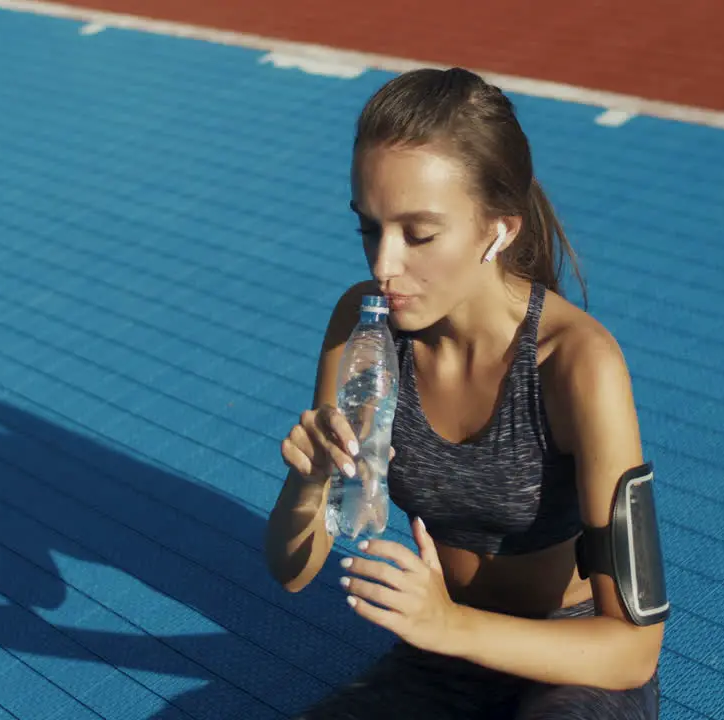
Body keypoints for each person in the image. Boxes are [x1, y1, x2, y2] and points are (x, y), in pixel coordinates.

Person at [264, 67, 667, 719]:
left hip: (572, 659)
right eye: (370, 228)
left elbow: (634, 650)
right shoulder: (364, 328)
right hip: (442, 655)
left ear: (499, 230)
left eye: (418, 235)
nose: (383, 265)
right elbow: (292, 570)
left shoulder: (577, 365)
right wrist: (309, 483)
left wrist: (448, 625)